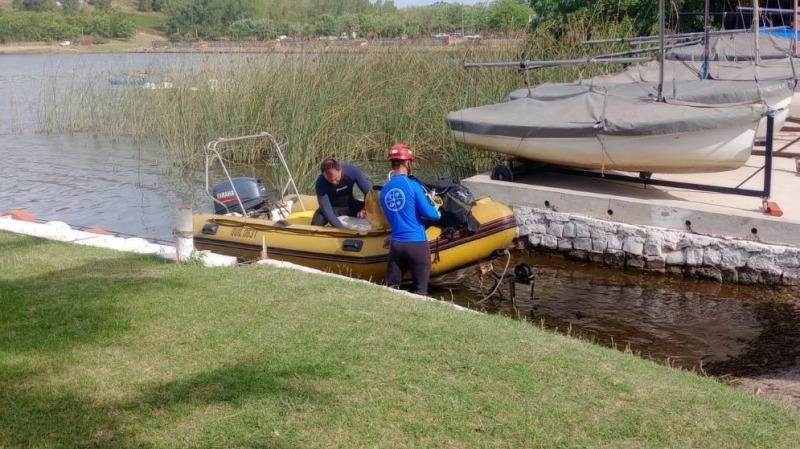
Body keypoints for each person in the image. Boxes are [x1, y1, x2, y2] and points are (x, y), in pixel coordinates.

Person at [379, 144, 441, 296]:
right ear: (408, 163)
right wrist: (438, 213)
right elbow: (431, 214)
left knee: (391, 289)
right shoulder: (413, 185)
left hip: (396, 245)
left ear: (392, 164)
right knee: (420, 290)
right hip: (416, 243)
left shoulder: (384, 190)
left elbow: (390, 218)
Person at [312, 158, 371, 228]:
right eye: (330, 180)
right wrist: (343, 230)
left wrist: (364, 209)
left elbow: (369, 194)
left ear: (340, 169)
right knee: (315, 224)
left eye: (336, 178)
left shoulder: (352, 171)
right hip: (333, 209)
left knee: (374, 208)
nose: (334, 182)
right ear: (324, 175)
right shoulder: (320, 183)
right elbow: (327, 211)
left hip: (351, 206)